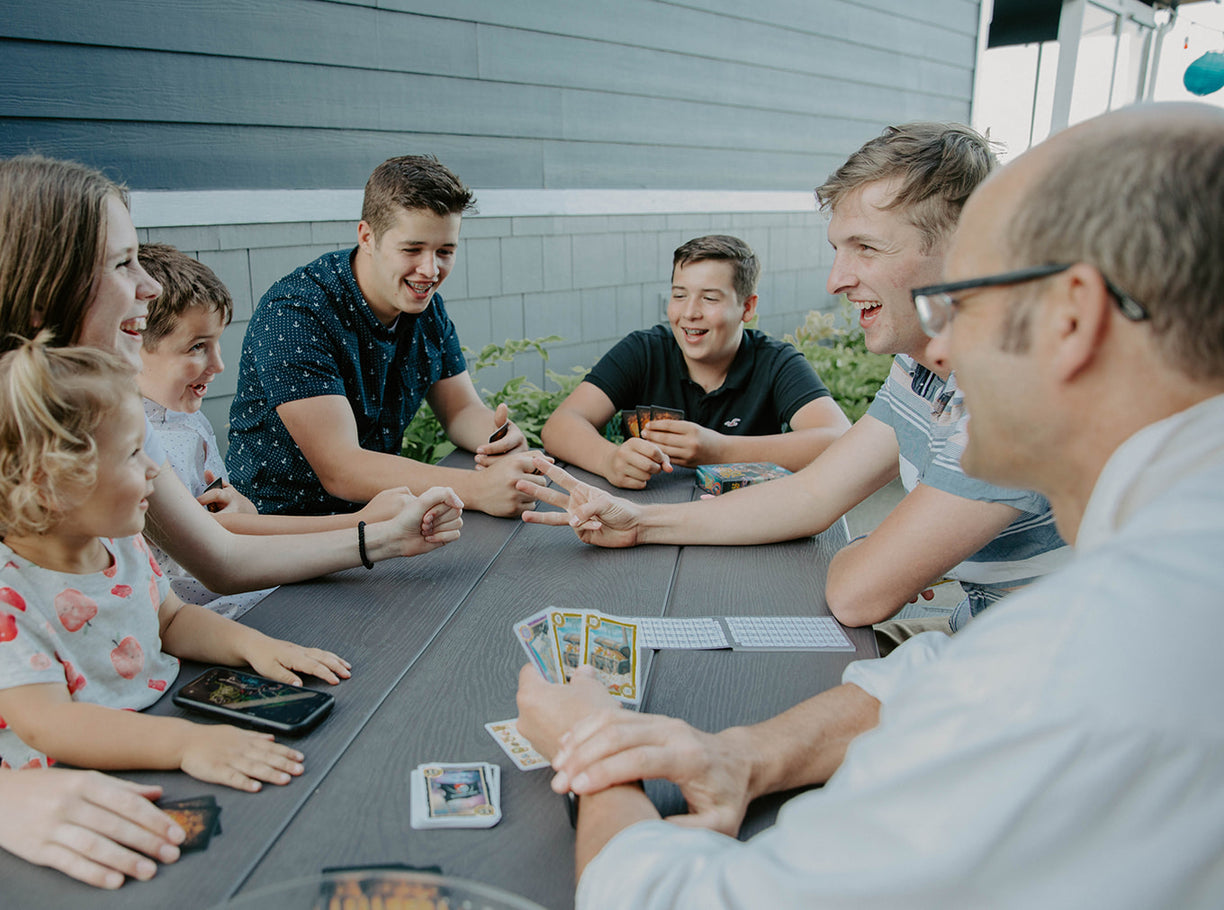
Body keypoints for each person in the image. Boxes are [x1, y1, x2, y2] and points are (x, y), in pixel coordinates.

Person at [517, 102, 1224, 907]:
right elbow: (944, 668)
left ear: (1074, 318)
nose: (943, 352)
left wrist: (591, 751)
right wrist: (746, 755)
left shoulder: (1085, 661)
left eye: (969, 304)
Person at [0, 154, 461, 889]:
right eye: (122, 263)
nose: (147, 286)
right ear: (41, 290)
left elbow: (221, 560)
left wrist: (379, 538)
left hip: (105, 755)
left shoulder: (101, 415)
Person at [523, 123, 1068, 635]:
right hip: (978, 635)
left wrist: (896, 556)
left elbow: (858, 594)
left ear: (967, 251)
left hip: (1044, 680)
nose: (836, 280)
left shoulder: (1005, 396)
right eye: (838, 249)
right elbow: (812, 491)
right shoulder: (923, 368)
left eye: (867, 248)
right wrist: (639, 522)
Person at [0, 340, 348, 787]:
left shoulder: (118, 543)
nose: (153, 470)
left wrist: (253, 645)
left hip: (170, 729)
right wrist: (184, 744)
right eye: (131, 454)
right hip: (84, 790)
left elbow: (172, 619)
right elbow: (50, 726)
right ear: (47, 483)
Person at [227, 154, 546, 518]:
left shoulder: (426, 307)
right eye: (412, 249)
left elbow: (460, 409)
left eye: (445, 251)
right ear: (367, 237)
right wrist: (478, 489)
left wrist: (499, 440)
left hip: (384, 523)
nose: (430, 270)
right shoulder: (296, 313)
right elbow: (341, 468)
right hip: (279, 534)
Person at [135, 242, 422, 618]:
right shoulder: (142, 441)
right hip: (212, 615)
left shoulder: (183, 416)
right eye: (196, 347)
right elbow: (220, 541)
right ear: (130, 343)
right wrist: (362, 522)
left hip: (249, 588)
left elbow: (232, 518)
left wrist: (244, 509)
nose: (218, 364)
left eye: (217, 343)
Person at [540, 235, 850, 488]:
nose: (689, 312)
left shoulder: (776, 362)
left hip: (746, 527)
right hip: (643, 518)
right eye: (679, 295)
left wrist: (720, 450)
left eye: (710, 298)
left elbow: (839, 441)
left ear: (747, 307)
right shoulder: (644, 350)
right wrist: (609, 460)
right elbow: (560, 426)